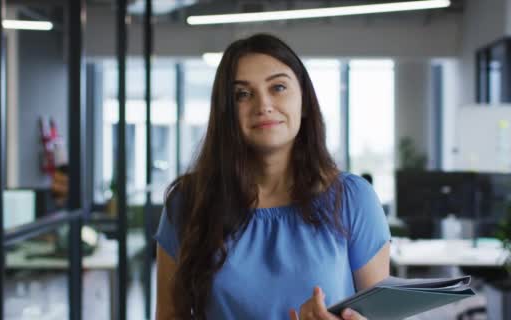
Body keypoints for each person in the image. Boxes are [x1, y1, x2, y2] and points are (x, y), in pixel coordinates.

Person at [155, 33, 390, 320]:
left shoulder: (353, 199)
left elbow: (382, 317)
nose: (263, 105)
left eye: (278, 87)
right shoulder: (188, 201)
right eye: (243, 94)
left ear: (303, 102)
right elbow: (169, 315)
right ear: (226, 112)